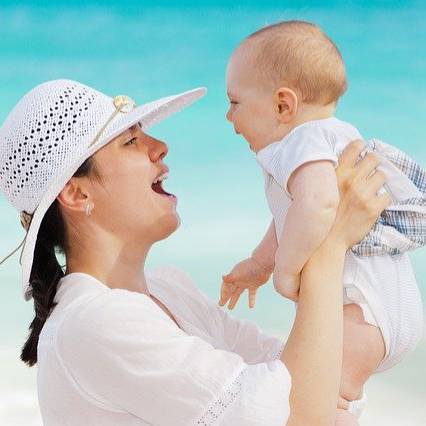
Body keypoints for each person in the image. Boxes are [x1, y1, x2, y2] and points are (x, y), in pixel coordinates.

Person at [0, 79, 389, 426]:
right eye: (131, 141)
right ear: (77, 193)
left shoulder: (170, 290)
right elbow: (301, 416)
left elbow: (319, 383)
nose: (160, 147)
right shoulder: (93, 322)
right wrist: (330, 241)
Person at [221, 20, 425, 422]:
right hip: (386, 309)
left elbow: (317, 204)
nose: (229, 117)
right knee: (331, 398)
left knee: (318, 402)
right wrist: (260, 263)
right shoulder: (334, 136)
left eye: (235, 102)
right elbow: (291, 215)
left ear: (283, 105)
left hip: (361, 310)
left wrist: (286, 271)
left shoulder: (303, 140)